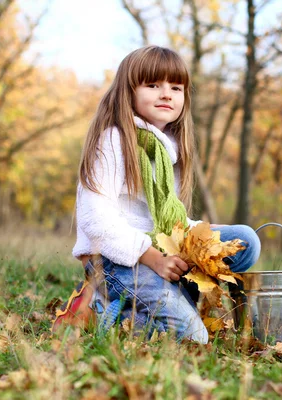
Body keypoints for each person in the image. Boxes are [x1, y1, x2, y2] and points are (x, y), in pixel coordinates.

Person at [53, 46, 260, 344]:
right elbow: (94, 220)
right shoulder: (114, 140)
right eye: (153, 85)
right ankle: (99, 310)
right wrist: (152, 258)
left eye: (176, 87)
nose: (166, 94)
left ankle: (170, 297)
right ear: (128, 92)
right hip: (116, 260)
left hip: (159, 252)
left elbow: (159, 218)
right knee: (193, 338)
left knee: (245, 241)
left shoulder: (165, 149)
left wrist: (193, 235)